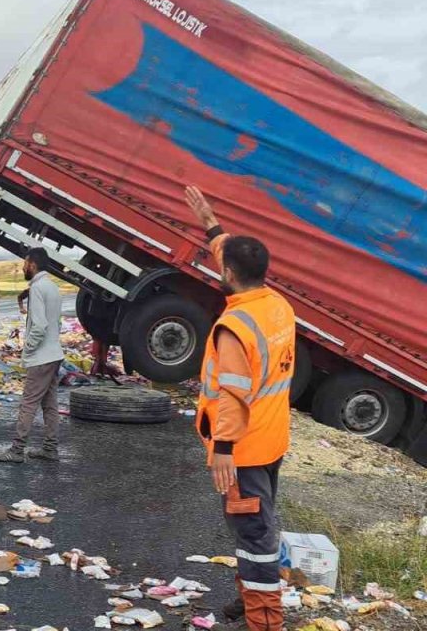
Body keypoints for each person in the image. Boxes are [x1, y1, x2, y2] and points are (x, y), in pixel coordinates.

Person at [185, 186, 294, 631]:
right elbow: (232, 260)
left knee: (254, 538)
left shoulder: (234, 327)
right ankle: (249, 598)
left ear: (228, 273)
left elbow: (231, 395)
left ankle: (265, 621)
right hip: (272, 441)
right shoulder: (277, 306)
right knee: (254, 529)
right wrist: (211, 223)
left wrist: (224, 449)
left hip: (243, 451)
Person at [0, 248, 65, 463]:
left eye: (25, 263)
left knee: (28, 403)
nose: (23, 267)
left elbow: (39, 326)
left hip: (41, 357)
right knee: (49, 405)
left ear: (33, 265)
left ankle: (16, 450)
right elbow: (55, 323)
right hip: (54, 353)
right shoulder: (52, 287)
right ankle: (50, 448)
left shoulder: (38, 289)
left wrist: (29, 349)